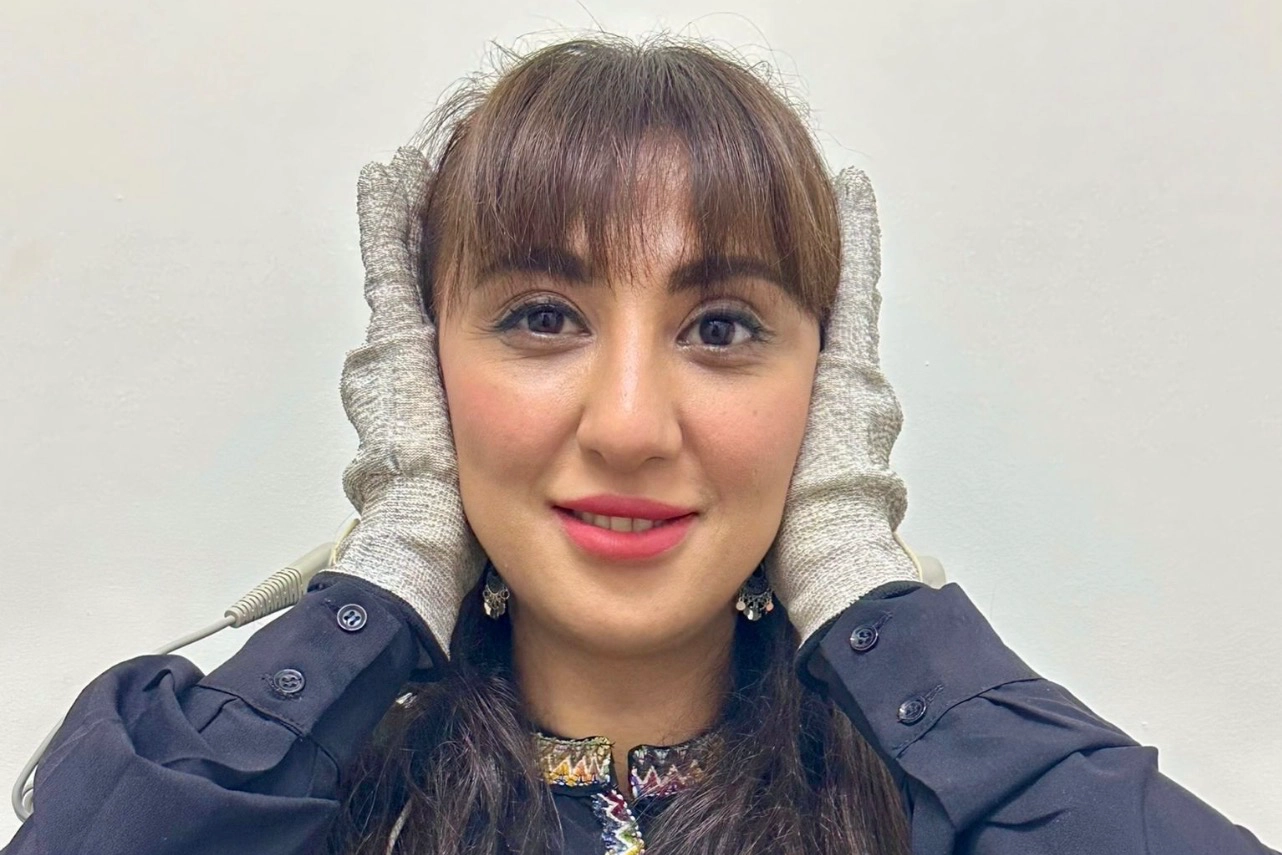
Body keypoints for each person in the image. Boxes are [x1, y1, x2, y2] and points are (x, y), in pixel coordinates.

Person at [3, 33, 1276, 855]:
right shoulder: (289, 806)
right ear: (420, 374)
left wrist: (854, 571)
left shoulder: (947, 805)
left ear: (829, 389)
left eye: (721, 328)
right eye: (540, 318)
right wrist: (396, 559)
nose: (625, 425)